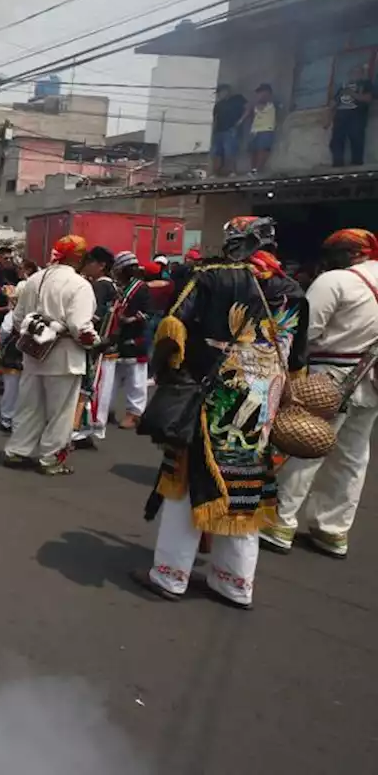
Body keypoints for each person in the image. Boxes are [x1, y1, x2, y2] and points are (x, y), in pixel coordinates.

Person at [132, 216, 306, 609]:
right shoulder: (292, 290)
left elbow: (173, 328)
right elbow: (297, 359)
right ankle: (235, 583)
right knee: (245, 485)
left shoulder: (212, 275)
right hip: (261, 401)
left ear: (235, 241)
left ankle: (171, 574)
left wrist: (167, 373)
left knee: (187, 483)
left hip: (210, 397)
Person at [262, 229, 378, 559]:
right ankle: (333, 530)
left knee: (305, 446)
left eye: (334, 252)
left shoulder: (336, 281)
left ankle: (279, 522)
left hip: (328, 378)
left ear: (351, 253)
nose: (328, 259)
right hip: (372, 382)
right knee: (353, 457)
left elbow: (306, 332)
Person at [4, 236, 98, 475]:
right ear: (78, 257)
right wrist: (98, 342)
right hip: (64, 356)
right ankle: (51, 458)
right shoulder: (79, 284)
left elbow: (17, 318)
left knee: (29, 405)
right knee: (60, 412)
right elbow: (80, 326)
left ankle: (18, 450)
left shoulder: (34, 279)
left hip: (34, 352)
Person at [93, 251, 151, 434]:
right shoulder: (119, 286)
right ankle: (106, 408)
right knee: (112, 378)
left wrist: (130, 319)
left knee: (136, 378)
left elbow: (150, 313)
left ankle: (134, 412)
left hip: (135, 337)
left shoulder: (141, 288)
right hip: (117, 338)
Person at [71, 246, 118, 448]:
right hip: (106, 344)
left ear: (101, 266)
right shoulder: (112, 286)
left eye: (90, 262)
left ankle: (78, 431)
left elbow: (90, 318)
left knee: (85, 387)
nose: (86, 266)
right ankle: (87, 428)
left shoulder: (99, 287)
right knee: (94, 388)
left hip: (95, 344)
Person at [327, 65, 373, 168]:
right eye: (353, 72)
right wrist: (328, 118)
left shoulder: (365, 84)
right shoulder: (343, 86)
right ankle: (337, 164)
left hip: (356, 115)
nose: (355, 75)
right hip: (340, 115)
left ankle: (356, 165)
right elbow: (334, 104)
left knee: (356, 138)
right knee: (336, 141)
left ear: (362, 74)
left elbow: (368, 99)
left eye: (358, 72)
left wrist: (352, 94)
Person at [0, 286, 23, 431]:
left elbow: (4, 332)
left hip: (14, 352)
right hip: (31, 354)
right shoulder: (36, 314)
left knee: (11, 387)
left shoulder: (13, 314)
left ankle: (7, 417)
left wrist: (1, 344)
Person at [211, 83, 247, 177]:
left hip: (230, 130)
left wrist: (240, 121)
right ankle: (216, 172)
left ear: (227, 91)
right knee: (217, 153)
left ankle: (231, 171)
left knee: (230, 152)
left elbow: (248, 108)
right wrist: (213, 133)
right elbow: (215, 119)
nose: (219, 95)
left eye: (220, 92)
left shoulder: (237, 99)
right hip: (219, 131)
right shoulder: (218, 105)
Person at [242, 82, 278, 173]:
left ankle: (258, 169)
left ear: (268, 93)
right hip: (254, 130)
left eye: (263, 92)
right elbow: (246, 115)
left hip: (267, 129)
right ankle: (253, 169)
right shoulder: (254, 105)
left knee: (262, 150)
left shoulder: (274, 104)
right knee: (253, 150)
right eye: (259, 93)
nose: (260, 95)